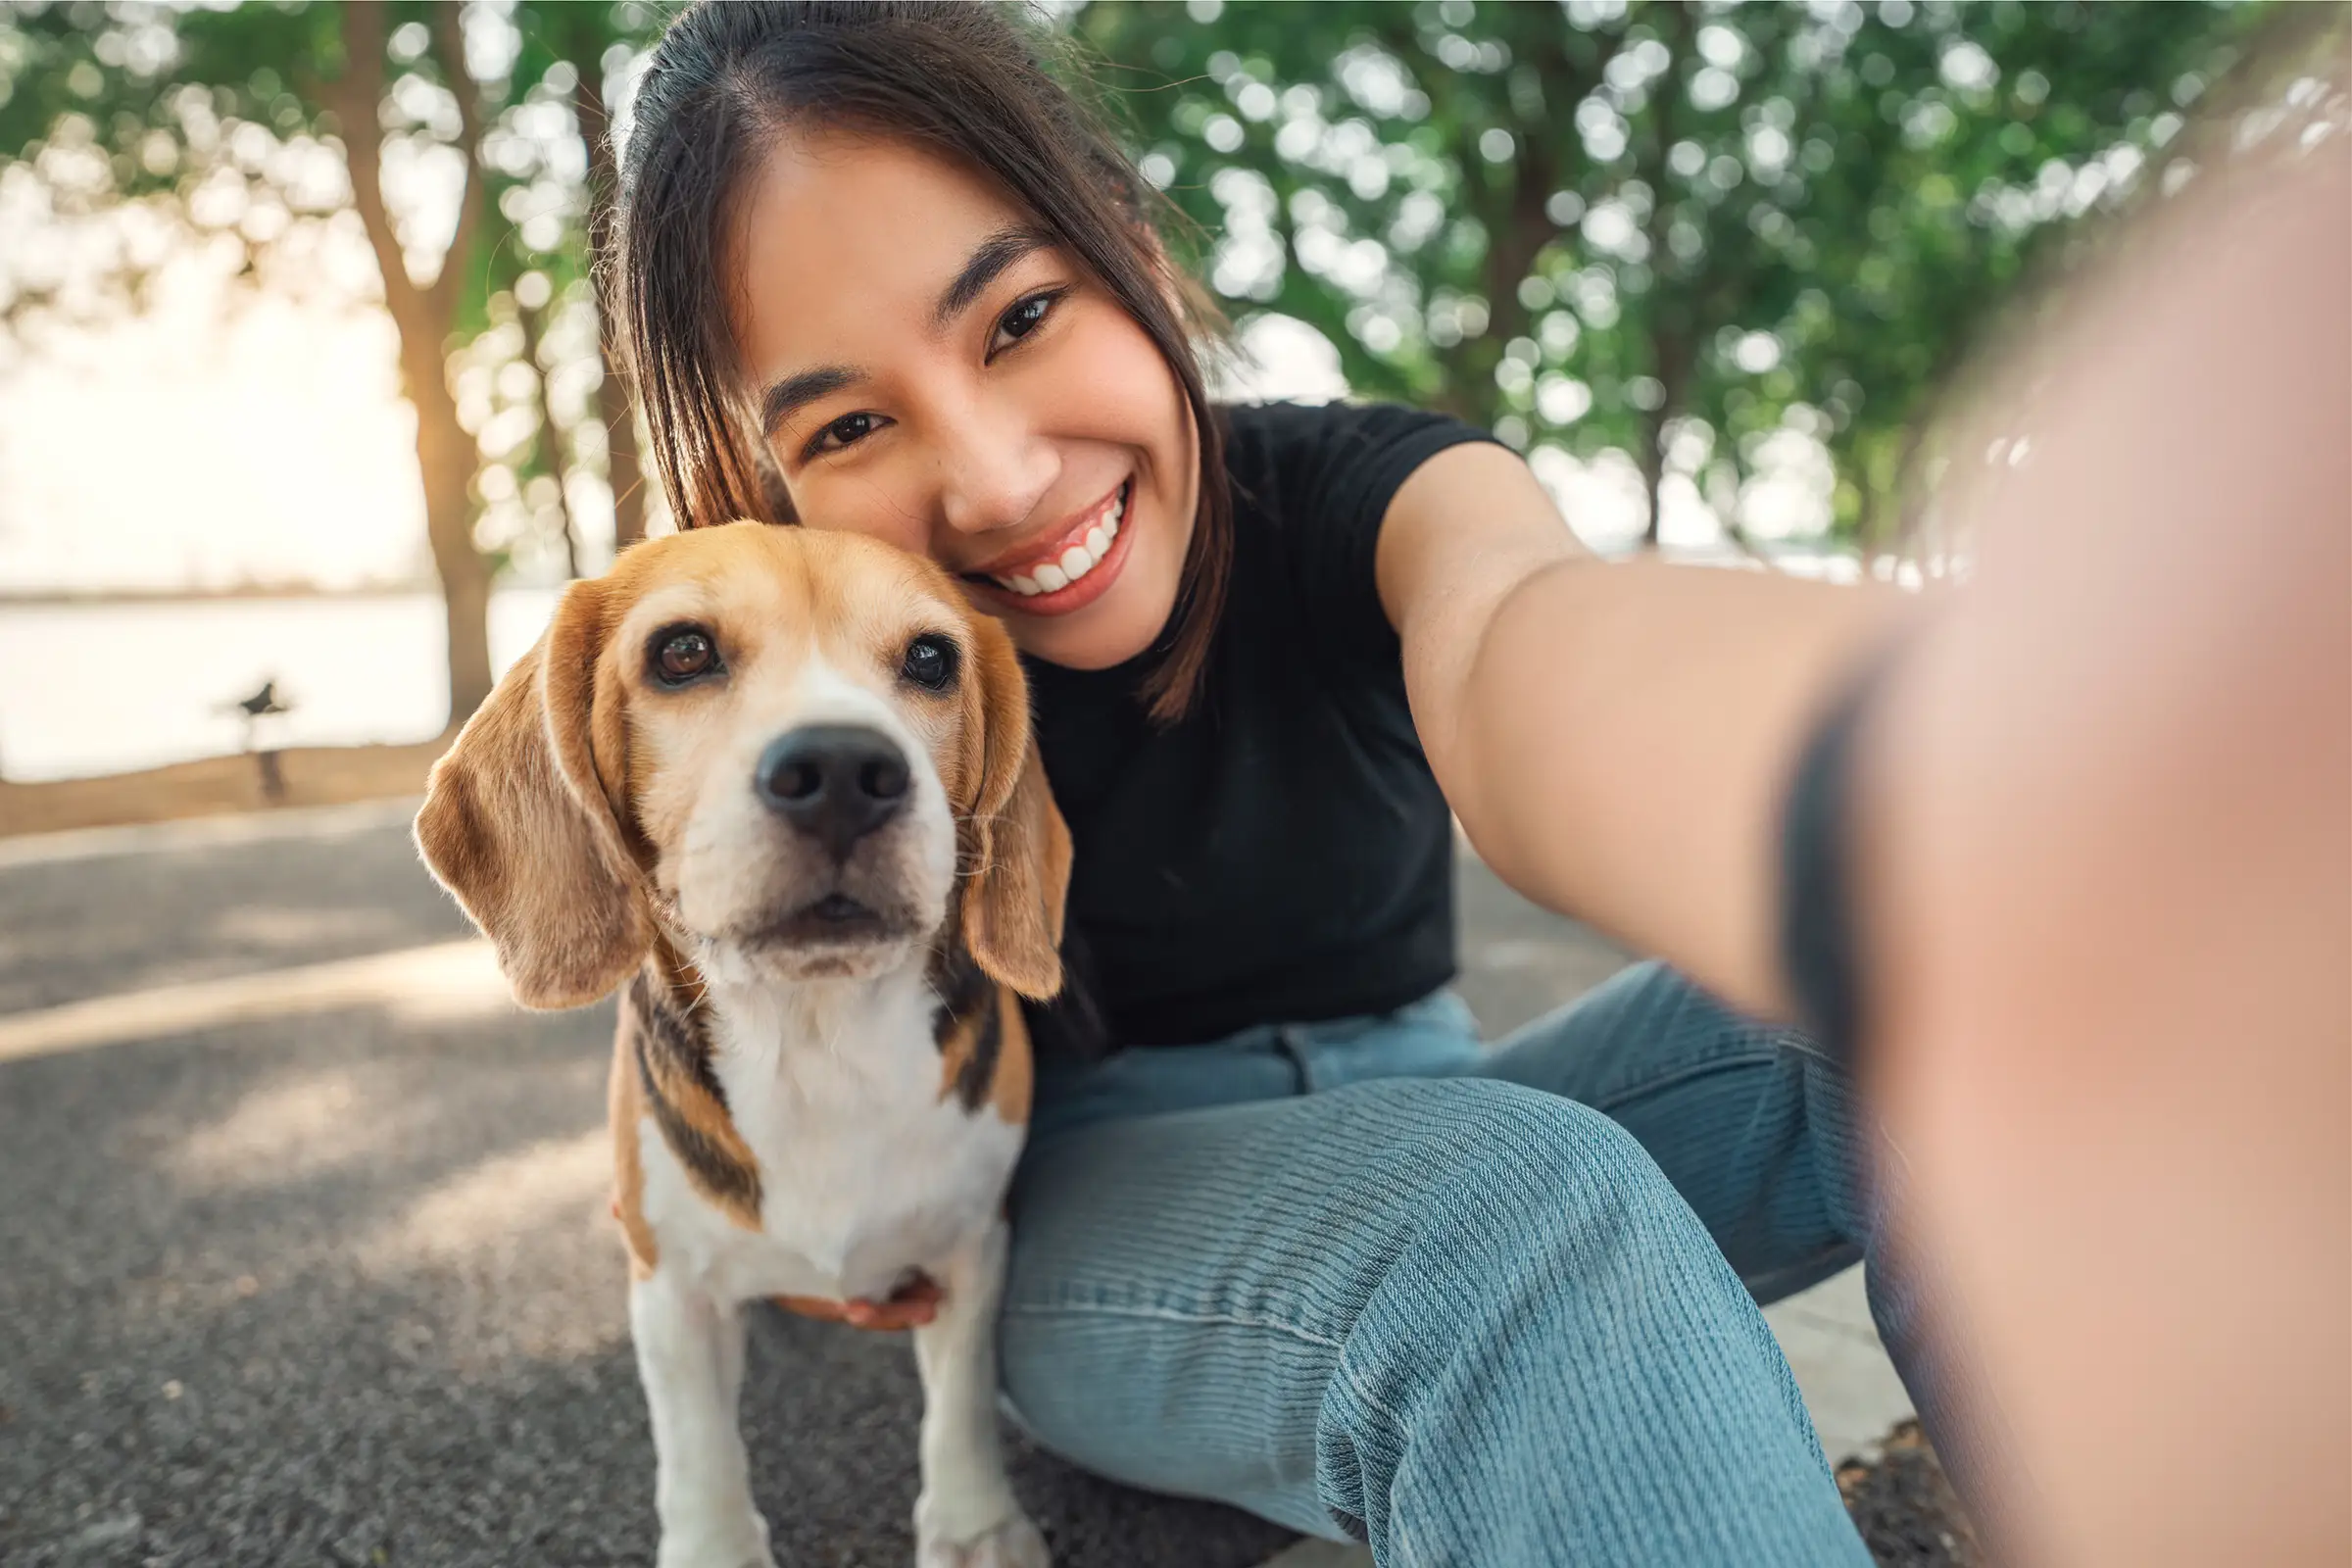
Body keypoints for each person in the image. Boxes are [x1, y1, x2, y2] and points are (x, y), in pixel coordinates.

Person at [612, 4, 2348, 1564]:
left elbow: (1527, 643)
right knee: (1516, 1207)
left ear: (1136, 256)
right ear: (746, 485)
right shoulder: (820, 720)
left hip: (1447, 1095)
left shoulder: (1368, 491)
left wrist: (1976, 808)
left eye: (1023, 315)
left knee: (1895, 981)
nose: (991, 480)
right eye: (847, 429)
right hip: (1089, 1210)